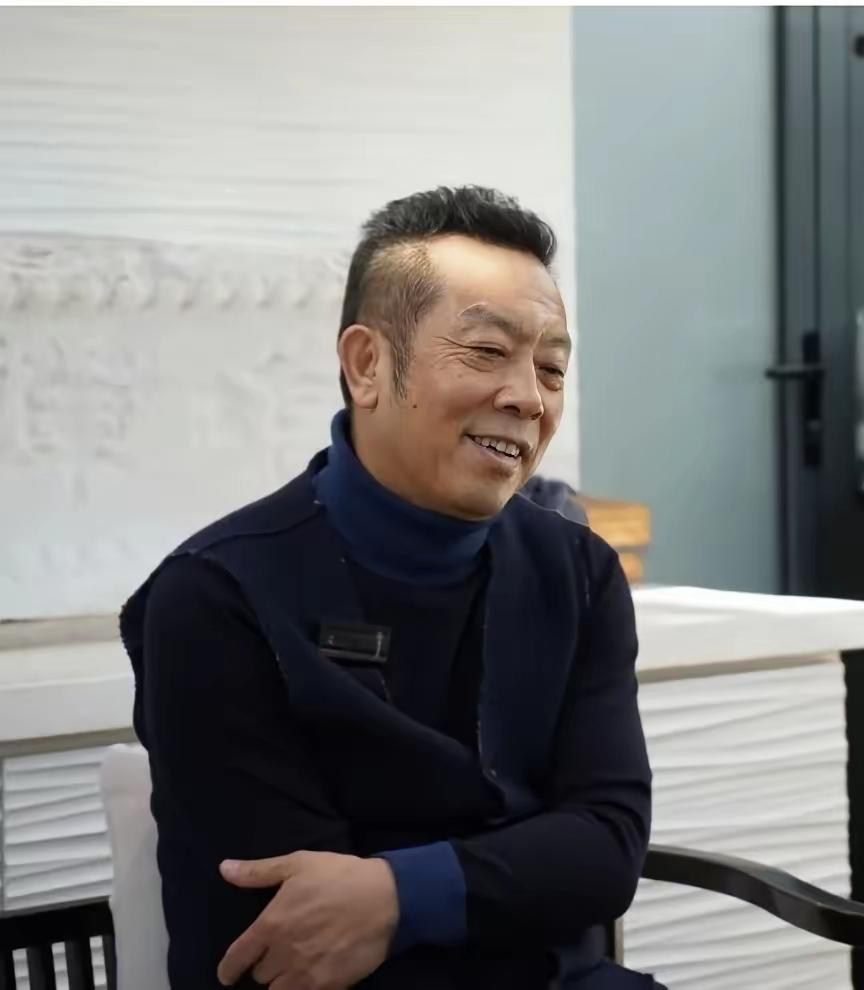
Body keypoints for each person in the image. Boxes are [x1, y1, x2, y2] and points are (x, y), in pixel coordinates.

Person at [119, 186, 659, 989]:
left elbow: (607, 848)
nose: (529, 397)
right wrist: (513, 875)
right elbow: (296, 932)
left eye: (551, 367)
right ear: (367, 365)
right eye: (487, 352)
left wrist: (396, 893)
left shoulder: (576, 572)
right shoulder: (216, 596)